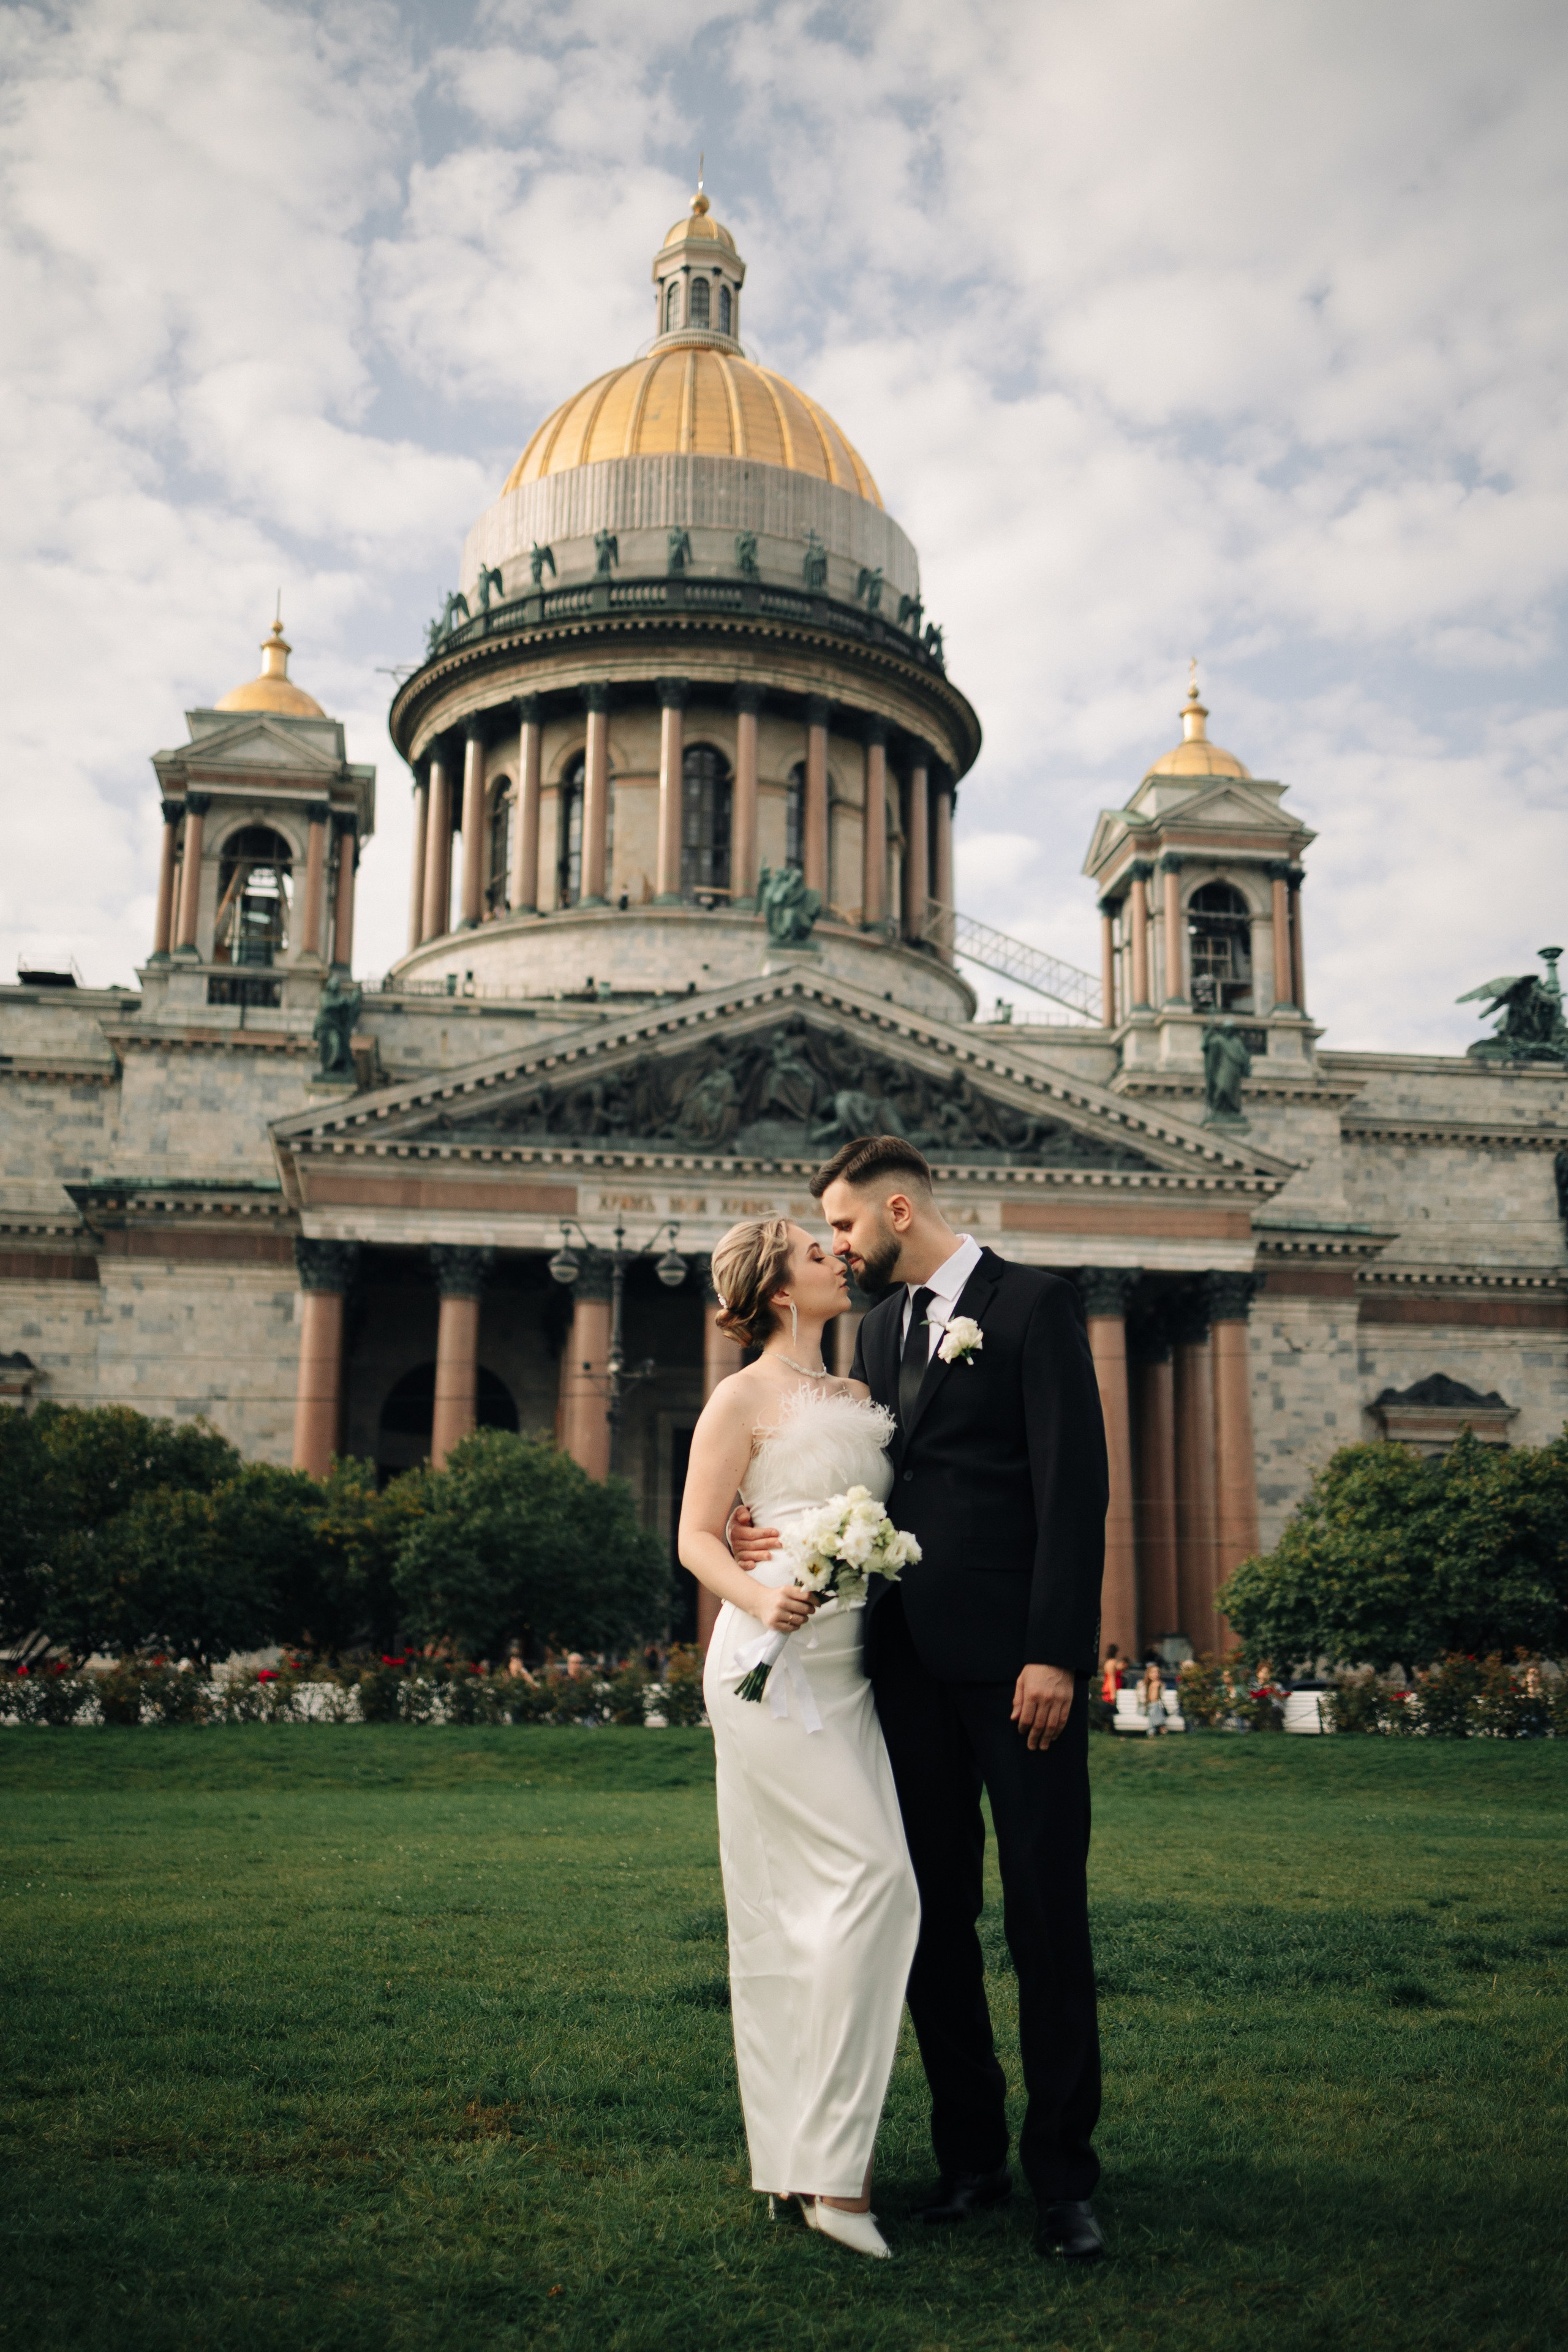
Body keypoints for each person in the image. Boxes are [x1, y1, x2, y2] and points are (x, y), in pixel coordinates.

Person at [731, 1134, 1109, 2260]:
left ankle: (1063, 2180)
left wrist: (1055, 1652)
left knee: (1047, 1919)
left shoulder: (1036, 1304)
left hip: (1017, 1672)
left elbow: (1073, 1488)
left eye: (844, 1228)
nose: (837, 1251)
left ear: (899, 1208)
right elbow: (853, 1476)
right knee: (934, 1918)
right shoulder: (875, 1329)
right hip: (902, 1671)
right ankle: (971, 2159)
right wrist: (766, 1530)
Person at [679, 1216, 920, 2263]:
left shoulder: (864, 1395)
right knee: (875, 1882)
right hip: (763, 1665)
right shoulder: (739, 1397)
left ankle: (795, 2161)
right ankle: (831, 2175)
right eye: (817, 1252)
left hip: (849, 1670)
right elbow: (694, 1532)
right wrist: (753, 1591)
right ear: (781, 1288)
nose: (838, 1256)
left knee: (810, 1912)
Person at [1140, 1662, 1168, 1736]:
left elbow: (1157, 1700)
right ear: (1148, 1674)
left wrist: (1156, 1687)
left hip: (1155, 1709)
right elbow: (1144, 1701)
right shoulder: (1142, 1684)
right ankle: (1161, 1726)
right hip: (1143, 1708)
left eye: (1157, 1672)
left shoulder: (1162, 1685)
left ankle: (1151, 1732)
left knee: (1153, 1708)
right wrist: (1153, 1687)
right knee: (1154, 1707)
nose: (1156, 1674)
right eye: (1153, 1672)